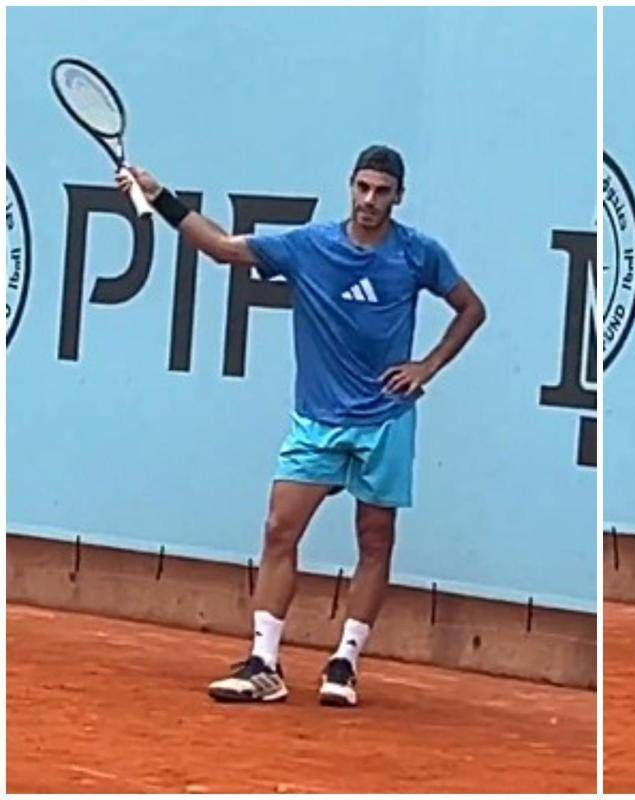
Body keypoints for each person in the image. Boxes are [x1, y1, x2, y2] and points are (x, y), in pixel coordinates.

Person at [118, 145, 486, 706]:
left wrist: (427, 366)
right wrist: (159, 196)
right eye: (362, 187)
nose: (369, 200)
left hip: (385, 420)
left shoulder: (418, 254)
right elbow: (221, 248)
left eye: (382, 191)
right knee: (278, 530)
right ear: (350, 186)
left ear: (398, 196)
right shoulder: (309, 246)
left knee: (375, 539)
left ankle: (344, 664)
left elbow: (471, 308)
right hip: (317, 422)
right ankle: (264, 663)